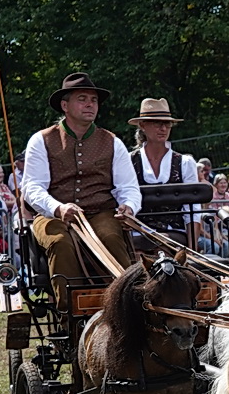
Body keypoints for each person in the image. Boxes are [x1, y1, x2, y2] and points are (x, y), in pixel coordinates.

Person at [20, 73, 141, 300]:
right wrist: (58, 208)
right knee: (60, 242)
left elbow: (128, 187)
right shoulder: (41, 140)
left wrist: (129, 206)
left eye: (94, 100)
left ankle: (124, 302)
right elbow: (33, 187)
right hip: (51, 214)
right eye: (82, 99)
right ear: (65, 106)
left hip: (100, 212)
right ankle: (69, 309)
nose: (90, 104)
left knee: (111, 237)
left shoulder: (113, 142)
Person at [127, 97, 201, 247]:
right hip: (137, 233)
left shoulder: (185, 163)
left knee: (162, 242)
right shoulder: (128, 162)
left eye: (167, 123)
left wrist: (192, 250)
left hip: (174, 234)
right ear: (142, 125)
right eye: (157, 123)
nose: (163, 128)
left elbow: (192, 210)